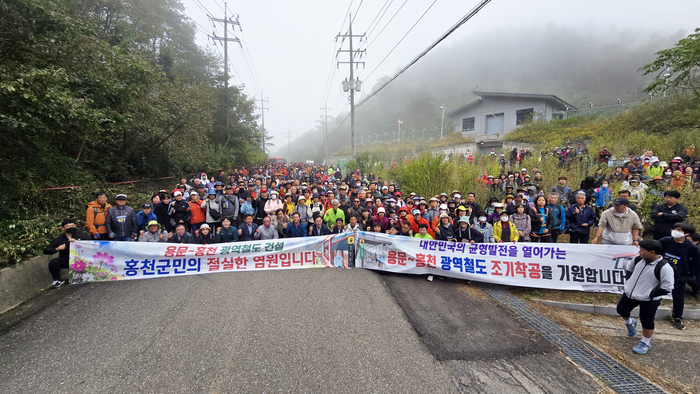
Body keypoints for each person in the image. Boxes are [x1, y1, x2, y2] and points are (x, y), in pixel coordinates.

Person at [616, 239, 674, 355]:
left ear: (652, 252)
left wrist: (649, 294)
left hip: (649, 300)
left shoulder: (664, 267)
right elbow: (629, 271)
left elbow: (667, 287)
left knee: (646, 320)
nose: (639, 252)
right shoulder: (638, 259)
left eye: (642, 250)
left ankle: (646, 342)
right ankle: (629, 323)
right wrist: (629, 284)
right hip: (630, 294)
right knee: (621, 310)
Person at [659, 223, 699, 330]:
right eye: (674, 229)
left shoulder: (692, 248)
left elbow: (695, 265)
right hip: (661, 273)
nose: (675, 231)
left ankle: (677, 317)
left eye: (679, 230)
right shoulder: (665, 241)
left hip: (680, 276)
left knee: (678, 297)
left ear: (687, 234)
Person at [44, 219, 90, 288]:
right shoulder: (59, 239)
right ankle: (57, 280)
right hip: (67, 260)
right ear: (63, 228)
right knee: (53, 262)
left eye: (73, 225)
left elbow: (91, 245)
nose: (71, 227)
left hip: (82, 259)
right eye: (68, 226)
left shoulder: (83, 236)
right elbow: (46, 250)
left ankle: (86, 274)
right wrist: (57, 248)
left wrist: (77, 243)